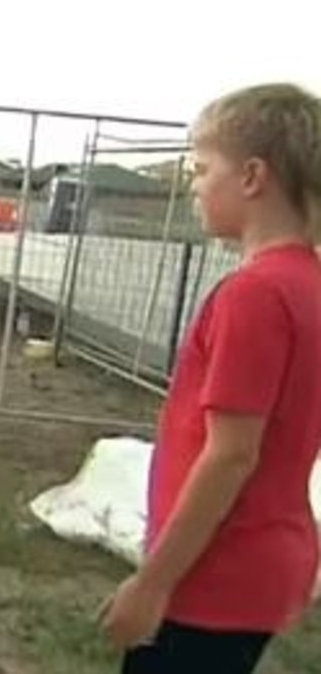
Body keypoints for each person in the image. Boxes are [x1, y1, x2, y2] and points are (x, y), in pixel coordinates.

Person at [102, 83, 321, 673]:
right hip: (264, 564)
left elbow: (230, 457)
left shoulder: (254, 294)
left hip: (212, 578)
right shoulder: (308, 283)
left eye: (201, 169)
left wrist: (152, 584)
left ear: (252, 176)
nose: (193, 184)